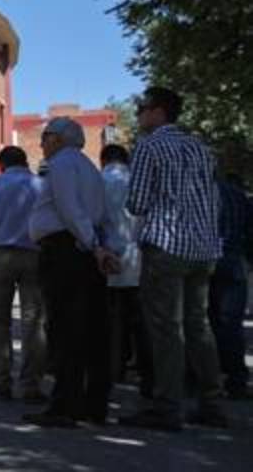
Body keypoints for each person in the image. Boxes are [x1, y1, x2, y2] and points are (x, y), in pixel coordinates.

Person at [119, 87, 227, 432]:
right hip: (204, 248)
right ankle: (213, 403)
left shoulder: (150, 146)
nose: (139, 116)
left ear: (159, 111)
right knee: (199, 326)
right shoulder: (201, 147)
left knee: (167, 330)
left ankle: (168, 407)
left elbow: (135, 203)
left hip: (167, 246)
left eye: (142, 109)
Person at [23, 117, 118, 428]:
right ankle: (93, 403)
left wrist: (92, 244)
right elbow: (101, 214)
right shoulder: (89, 167)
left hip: (66, 250)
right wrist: (102, 247)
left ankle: (65, 405)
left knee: (66, 330)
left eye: (46, 136)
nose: (41, 143)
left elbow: (69, 207)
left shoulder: (62, 164)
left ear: (60, 139)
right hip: (84, 250)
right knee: (92, 330)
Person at [0, 145, 46, 403]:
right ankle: (31, 384)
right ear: (25, 162)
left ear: (1, 164)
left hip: (1, 254)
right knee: (34, 320)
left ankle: (1, 381)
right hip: (35, 254)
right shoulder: (40, 185)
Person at [101, 144, 154, 399]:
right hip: (141, 255)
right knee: (142, 320)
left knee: (113, 319)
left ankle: (114, 369)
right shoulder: (139, 179)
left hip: (109, 256)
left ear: (104, 160)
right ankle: (147, 373)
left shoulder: (100, 181)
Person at [210, 173, 250, 399]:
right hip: (235, 263)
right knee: (231, 325)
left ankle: (205, 377)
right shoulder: (237, 195)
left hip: (205, 260)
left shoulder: (198, 194)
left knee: (203, 322)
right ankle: (236, 380)